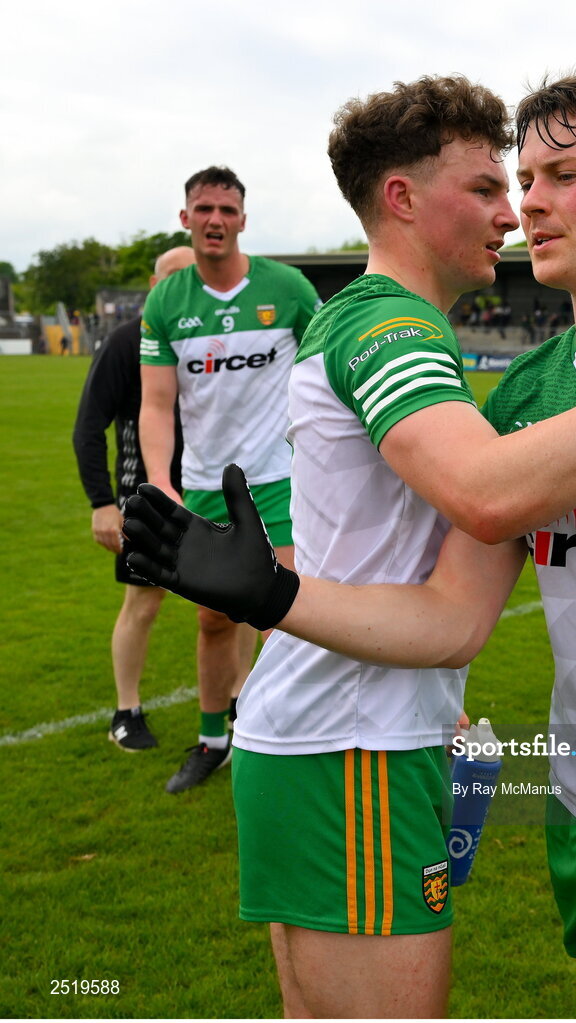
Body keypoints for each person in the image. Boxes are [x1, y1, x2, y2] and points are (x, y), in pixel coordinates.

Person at [123, 73, 576, 1017]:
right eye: (489, 188)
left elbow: (452, 619)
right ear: (402, 198)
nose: (513, 214)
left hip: (354, 728)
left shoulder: (385, 322)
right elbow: (486, 494)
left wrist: (279, 597)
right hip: (350, 738)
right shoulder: (388, 321)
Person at [138, 166, 321, 793]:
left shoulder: (288, 288)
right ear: (185, 219)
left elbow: (325, 371)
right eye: (203, 208)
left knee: (288, 614)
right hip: (202, 487)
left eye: (226, 209)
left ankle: (289, 739)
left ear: (243, 219)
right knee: (214, 620)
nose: (215, 219)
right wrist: (159, 480)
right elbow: (157, 404)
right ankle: (214, 740)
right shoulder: (166, 300)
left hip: (278, 480)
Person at [73, 245, 197, 750]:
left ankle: (236, 702)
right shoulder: (128, 341)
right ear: (153, 286)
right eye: (172, 278)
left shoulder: (210, 340)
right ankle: (126, 711)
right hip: (147, 498)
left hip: (212, 492)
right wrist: (102, 502)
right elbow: (88, 425)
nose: (181, 288)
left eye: (191, 279)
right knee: (143, 607)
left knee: (236, 606)